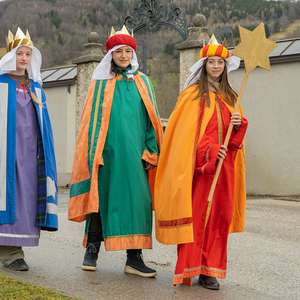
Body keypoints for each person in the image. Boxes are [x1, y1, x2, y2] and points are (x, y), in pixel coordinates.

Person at [154, 36, 248, 289]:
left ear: (225, 66)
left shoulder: (231, 96)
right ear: (204, 65)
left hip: (224, 170)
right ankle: (190, 266)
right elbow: (185, 138)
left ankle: (209, 271)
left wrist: (239, 126)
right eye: (212, 62)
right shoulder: (193, 95)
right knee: (195, 218)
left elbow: (235, 143)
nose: (216, 66)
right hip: (198, 171)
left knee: (219, 218)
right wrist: (209, 152)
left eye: (220, 62)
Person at [68, 26, 163, 278]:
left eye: (127, 51)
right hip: (106, 156)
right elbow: (90, 123)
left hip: (135, 156)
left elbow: (151, 120)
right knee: (101, 201)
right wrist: (93, 153)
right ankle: (92, 251)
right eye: (119, 51)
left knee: (137, 203)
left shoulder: (144, 82)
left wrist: (151, 150)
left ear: (133, 53)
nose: (123, 55)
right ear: (110, 55)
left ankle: (134, 258)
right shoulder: (100, 83)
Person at [0, 28, 58, 271]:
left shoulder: (36, 87)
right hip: (6, 153)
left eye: (27, 54)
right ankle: (10, 252)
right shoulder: (1, 84)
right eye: (19, 53)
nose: (23, 59)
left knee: (26, 200)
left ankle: (17, 247)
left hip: (32, 154)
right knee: (7, 197)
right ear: (10, 55)